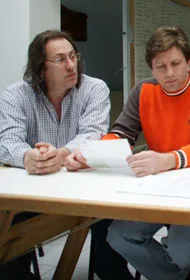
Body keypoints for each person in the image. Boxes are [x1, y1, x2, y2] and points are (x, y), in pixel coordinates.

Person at [66, 26, 190, 280]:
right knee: (118, 236)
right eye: (160, 67)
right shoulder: (144, 90)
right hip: (158, 185)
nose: (170, 73)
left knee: (180, 254)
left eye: (175, 64)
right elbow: (121, 133)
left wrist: (166, 160)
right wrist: (91, 154)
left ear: (189, 61)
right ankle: (179, 276)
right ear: (151, 68)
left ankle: (178, 270)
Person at [0, 30, 127, 279]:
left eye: (73, 56)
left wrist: (62, 154)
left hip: (85, 190)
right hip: (33, 193)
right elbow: (7, 141)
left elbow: (92, 134)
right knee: (7, 250)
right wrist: (28, 157)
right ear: (40, 68)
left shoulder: (94, 89)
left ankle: (109, 269)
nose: (71, 66)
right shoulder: (15, 95)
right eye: (60, 60)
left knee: (109, 229)